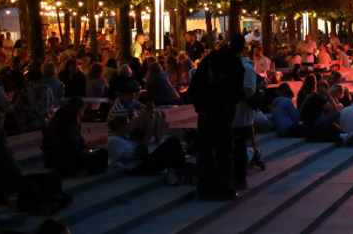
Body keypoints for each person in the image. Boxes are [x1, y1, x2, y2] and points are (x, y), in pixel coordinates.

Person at [0, 104, 72, 215]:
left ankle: (53, 200)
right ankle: (46, 204)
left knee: (53, 177)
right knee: (28, 187)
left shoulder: (1, 134)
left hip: (11, 178)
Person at [190, 33, 247, 201]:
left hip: (207, 109)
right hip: (222, 111)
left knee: (205, 149)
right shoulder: (235, 65)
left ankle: (205, 187)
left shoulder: (212, 58)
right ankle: (224, 187)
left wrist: (199, 103)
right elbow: (236, 92)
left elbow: (196, 82)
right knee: (223, 149)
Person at [41, 97, 108, 177]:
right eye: (82, 110)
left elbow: (80, 141)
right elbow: (60, 147)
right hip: (58, 155)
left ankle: (89, 170)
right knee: (75, 157)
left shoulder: (74, 121)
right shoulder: (56, 122)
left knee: (102, 152)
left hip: (75, 150)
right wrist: (80, 152)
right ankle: (77, 171)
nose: (82, 113)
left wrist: (86, 149)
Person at [106, 116, 185, 185]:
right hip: (137, 167)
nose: (129, 126)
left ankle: (176, 170)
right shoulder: (113, 140)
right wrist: (131, 160)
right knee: (172, 141)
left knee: (173, 144)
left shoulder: (127, 138)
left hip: (143, 162)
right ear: (119, 127)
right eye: (126, 124)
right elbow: (115, 161)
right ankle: (177, 171)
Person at [232, 40, 258, 191]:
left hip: (242, 114)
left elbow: (249, 90)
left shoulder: (246, 69)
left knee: (241, 147)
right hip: (233, 113)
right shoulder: (234, 67)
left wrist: (232, 94)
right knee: (236, 146)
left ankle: (240, 178)